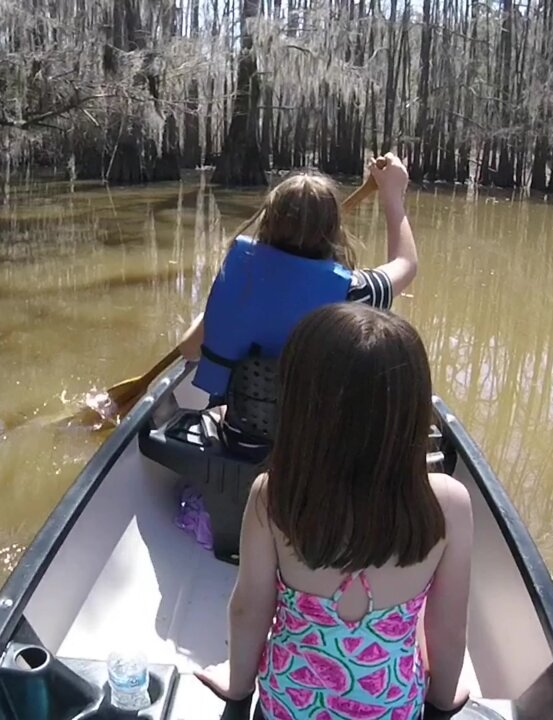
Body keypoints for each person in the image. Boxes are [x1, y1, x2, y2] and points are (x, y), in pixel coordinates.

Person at [194, 303, 473, 719]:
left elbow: (249, 609)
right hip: (392, 710)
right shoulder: (449, 503)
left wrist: (238, 685)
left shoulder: (273, 497)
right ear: (414, 413)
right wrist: (442, 700)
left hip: (288, 708)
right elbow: (446, 628)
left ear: (300, 408)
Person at [176, 155, 419, 451]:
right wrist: (393, 195)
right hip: (318, 451)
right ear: (334, 231)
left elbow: (189, 349)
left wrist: (221, 310)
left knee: (217, 411)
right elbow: (406, 263)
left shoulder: (240, 279)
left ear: (268, 222)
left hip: (242, 439)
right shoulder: (354, 293)